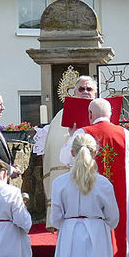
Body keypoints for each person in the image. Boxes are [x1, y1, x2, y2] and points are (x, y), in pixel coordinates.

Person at [59, 97, 129, 257]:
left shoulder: (82, 132)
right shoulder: (124, 133)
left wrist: (71, 135)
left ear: (89, 114)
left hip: (88, 190)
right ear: (110, 114)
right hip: (119, 189)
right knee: (119, 224)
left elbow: (66, 158)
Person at [42, 75, 97, 224]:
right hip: (69, 176)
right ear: (74, 93)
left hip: (96, 177)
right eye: (81, 89)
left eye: (89, 89)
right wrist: (70, 137)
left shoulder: (101, 113)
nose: (85, 92)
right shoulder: (62, 115)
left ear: (95, 94)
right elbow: (54, 146)